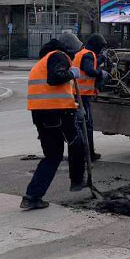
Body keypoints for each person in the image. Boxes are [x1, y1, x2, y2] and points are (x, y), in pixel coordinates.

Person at [20, 32, 86, 210]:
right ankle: (78, 182)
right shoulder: (60, 56)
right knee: (77, 144)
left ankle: (32, 196)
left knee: (53, 156)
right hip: (58, 112)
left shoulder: (44, 59)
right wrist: (71, 73)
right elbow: (55, 78)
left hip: (41, 113)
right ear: (70, 48)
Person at [73, 34, 110, 161]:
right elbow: (89, 70)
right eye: (100, 48)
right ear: (96, 46)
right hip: (81, 96)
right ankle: (88, 154)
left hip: (78, 94)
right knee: (86, 125)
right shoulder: (88, 54)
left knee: (83, 124)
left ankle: (85, 153)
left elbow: (88, 66)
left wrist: (101, 60)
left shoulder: (82, 53)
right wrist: (101, 74)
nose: (100, 50)